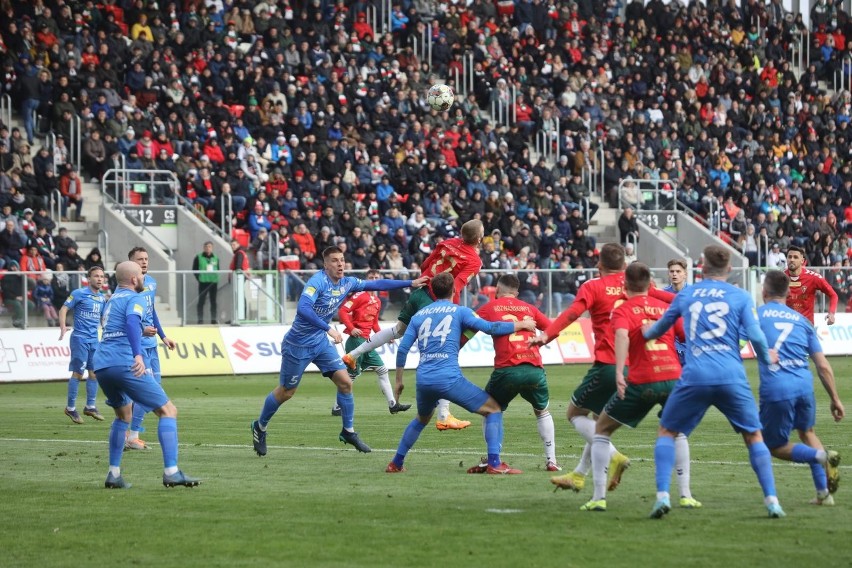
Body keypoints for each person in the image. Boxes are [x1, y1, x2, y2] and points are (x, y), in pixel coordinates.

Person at [643, 245, 785, 518]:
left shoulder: (687, 294)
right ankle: (772, 501)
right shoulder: (741, 296)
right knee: (753, 435)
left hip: (695, 374)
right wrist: (768, 359)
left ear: (702, 268)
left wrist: (647, 333)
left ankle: (662, 496)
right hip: (731, 375)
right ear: (729, 270)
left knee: (667, 432)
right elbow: (755, 336)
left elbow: (662, 328)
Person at [250, 246, 429, 457]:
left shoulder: (348, 283)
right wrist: (328, 329)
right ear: (325, 265)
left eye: (342, 260)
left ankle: (348, 431)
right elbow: (303, 309)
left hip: (320, 343)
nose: (340, 264)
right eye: (334, 261)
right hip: (298, 344)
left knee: (345, 382)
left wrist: (410, 282)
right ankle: (259, 427)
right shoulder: (317, 282)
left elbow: (376, 283)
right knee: (287, 392)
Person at [385, 272, 536, 474]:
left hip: (424, 379)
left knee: (421, 419)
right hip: (448, 377)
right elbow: (491, 328)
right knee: (493, 409)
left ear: (433, 291)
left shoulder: (418, 316)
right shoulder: (460, 311)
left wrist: (398, 382)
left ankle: (396, 463)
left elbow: (403, 349)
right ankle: (494, 463)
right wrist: (521, 324)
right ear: (454, 290)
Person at [342, 219, 485, 431]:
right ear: (480, 239)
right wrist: (450, 309)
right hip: (438, 300)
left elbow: (426, 263)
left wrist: (426, 279)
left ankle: (352, 355)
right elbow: (456, 284)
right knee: (445, 353)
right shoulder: (474, 260)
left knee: (398, 330)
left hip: (421, 290)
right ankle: (444, 415)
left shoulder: (448, 242)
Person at [581, 262, 699, 512]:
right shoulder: (665, 306)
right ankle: (686, 495)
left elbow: (622, 336)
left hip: (643, 378)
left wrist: (619, 372)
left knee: (601, 429)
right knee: (677, 432)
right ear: (650, 285)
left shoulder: (622, 309)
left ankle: (599, 497)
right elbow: (684, 335)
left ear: (625, 285)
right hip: (672, 375)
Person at [530, 243, 631, 493]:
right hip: (634, 367)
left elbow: (572, 314)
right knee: (600, 426)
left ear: (599, 266)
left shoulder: (592, 286)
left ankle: (615, 456)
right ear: (625, 266)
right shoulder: (637, 285)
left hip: (608, 364)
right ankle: (584, 482)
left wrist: (546, 336)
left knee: (574, 414)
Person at [94, 261, 200, 489]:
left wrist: (143, 332)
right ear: (134, 279)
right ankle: (171, 472)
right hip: (125, 362)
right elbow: (132, 321)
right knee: (168, 411)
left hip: (102, 364)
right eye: (141, 275)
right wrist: (138, 355)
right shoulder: (136, 298)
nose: (144, 277)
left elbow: (118, 326)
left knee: (123, 416)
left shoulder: (111, 299)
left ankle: (113, 474)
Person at [757, 270, 843, 505]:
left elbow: (738, 344)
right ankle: (824, 495)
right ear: (787, 294)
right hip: (804, 386)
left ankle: (821, 456)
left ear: (764, 292)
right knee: (807, 433)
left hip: (777, 388)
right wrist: (835, 398)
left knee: (774, 445)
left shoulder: (757, 316)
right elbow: (823, 365)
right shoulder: (802, 321)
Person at [464, 273, 560, 472]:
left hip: (507, 369)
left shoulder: (490, 306)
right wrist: (537, 344)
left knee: (490, 408)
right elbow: (554, 329)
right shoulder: (530, 308)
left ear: (497, 290)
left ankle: (493, 459)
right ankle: (552, 461)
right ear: (517, 292)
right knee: (542, 411)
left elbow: (469, 328)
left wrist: (455, 347)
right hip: (534, 367)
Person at [333, 269, 411, 416]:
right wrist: (351, 328)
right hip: (356, 341)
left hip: (368, 342)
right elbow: (342, 311)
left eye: (376, 277)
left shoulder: (377, 301)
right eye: (371, 277)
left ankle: (393, 405)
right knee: (351, 376)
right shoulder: (359, 295)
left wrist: (386, 336)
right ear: (367, 280)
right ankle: (337, 406)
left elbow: (374, 323)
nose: (374, 280)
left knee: (382, 370)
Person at [125, 247, 177, 450]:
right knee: (147, 391)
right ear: (130, 263)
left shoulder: (152, 282)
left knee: (154, 387)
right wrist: (140, 329)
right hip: (136, 346)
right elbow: (125, 318)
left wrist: (163, 336)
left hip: (152, 345)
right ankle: (130, 434)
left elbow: (151, 310)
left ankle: (129, 433)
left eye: (146, 259)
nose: (144, 262)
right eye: (139, 259)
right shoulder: (127, 288)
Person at [58, 266, 107, 423]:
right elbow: (63, 309)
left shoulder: (101, 299)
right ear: (89, 278)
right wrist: (63, 326)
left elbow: (103, 320)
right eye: (96, 276)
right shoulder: (78, 293)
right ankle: (70, 408)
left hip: (94, 340)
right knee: (78, 374)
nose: (99, 279)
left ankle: (90, 406)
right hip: (79, 338)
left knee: (94, 373)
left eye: (102, 276)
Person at [784, 245, 838, 325]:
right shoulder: (781, 277)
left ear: (802, 261)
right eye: (789, 257)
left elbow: (833, 295)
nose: (792, 260)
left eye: (795, 257)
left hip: (806, 326)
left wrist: (831, 313)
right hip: (786, 325)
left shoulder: (813, 277)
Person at [664, 258, 691, 365]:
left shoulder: (693, 293)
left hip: (690, 347)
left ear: (685, 274)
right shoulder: (663, 294)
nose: (674, 274)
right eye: (672, 271)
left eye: (678, 271)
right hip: (671, 347)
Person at [192, 241, 220, 324]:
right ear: (204, 248)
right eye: (206, 247)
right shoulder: (198, 257)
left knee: (213, 301)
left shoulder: (215, 257)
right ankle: (200, 319)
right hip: (203, 282)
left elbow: (218, 268)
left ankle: (213, 319)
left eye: (210, 247)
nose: (208, 248)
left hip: (213, 282)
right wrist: (199, 278)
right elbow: (194, 269)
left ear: (212, 248)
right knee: (201, 301)